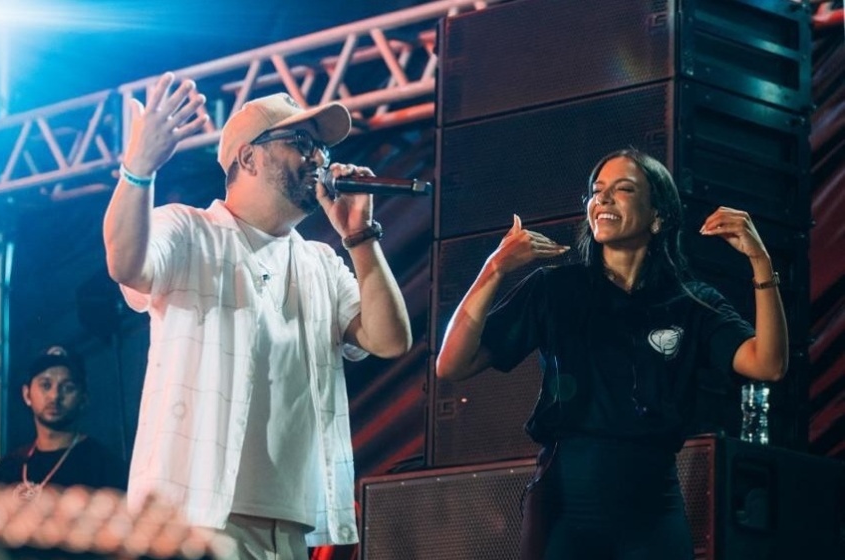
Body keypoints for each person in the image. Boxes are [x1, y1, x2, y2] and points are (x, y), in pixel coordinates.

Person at [102, 72, 411, 560]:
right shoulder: (188, 231)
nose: (318, 158)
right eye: (301, 143)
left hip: (287, 525)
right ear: (248, 157)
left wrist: (360, 236)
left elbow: (389, 339)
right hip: (192, 519)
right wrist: (139, 169)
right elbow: (124, 263)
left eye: (321, 148)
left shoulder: (320, 262)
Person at [435, 149, 788, 560]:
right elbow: (452, 364)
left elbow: (768, 364)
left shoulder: (691, 302)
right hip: (566, 503)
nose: (602, 198)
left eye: (623, 189)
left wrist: (760, 261)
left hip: (654, 508)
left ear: (658, 217)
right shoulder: (555, 288)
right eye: (596, 190)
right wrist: (495, 267)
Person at [0, 345, 128, 497]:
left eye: (68, 388)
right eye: (46, 385)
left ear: (84, 399)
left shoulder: (105, 468)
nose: (54, 396)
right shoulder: (8, 468)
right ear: (27, 395)